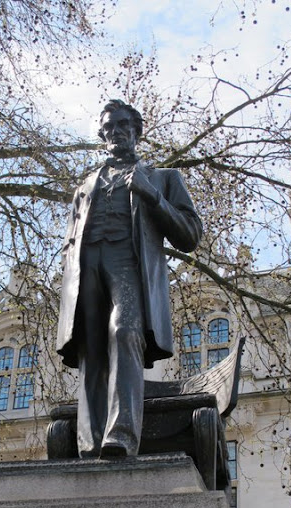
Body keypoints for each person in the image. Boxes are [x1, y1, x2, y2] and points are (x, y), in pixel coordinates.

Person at [56, 99, 202, 459]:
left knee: (124, 332)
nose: (116, 133)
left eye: (123, 126)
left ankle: (121, 435)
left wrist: (153, 197)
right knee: (91, 349)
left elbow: (190, 235)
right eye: (108, 128)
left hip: (128, 264)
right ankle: (90, 444)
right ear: (102, 135)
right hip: (87, 265)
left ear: (136, 131)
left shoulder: (163, 178)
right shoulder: (85, 186)